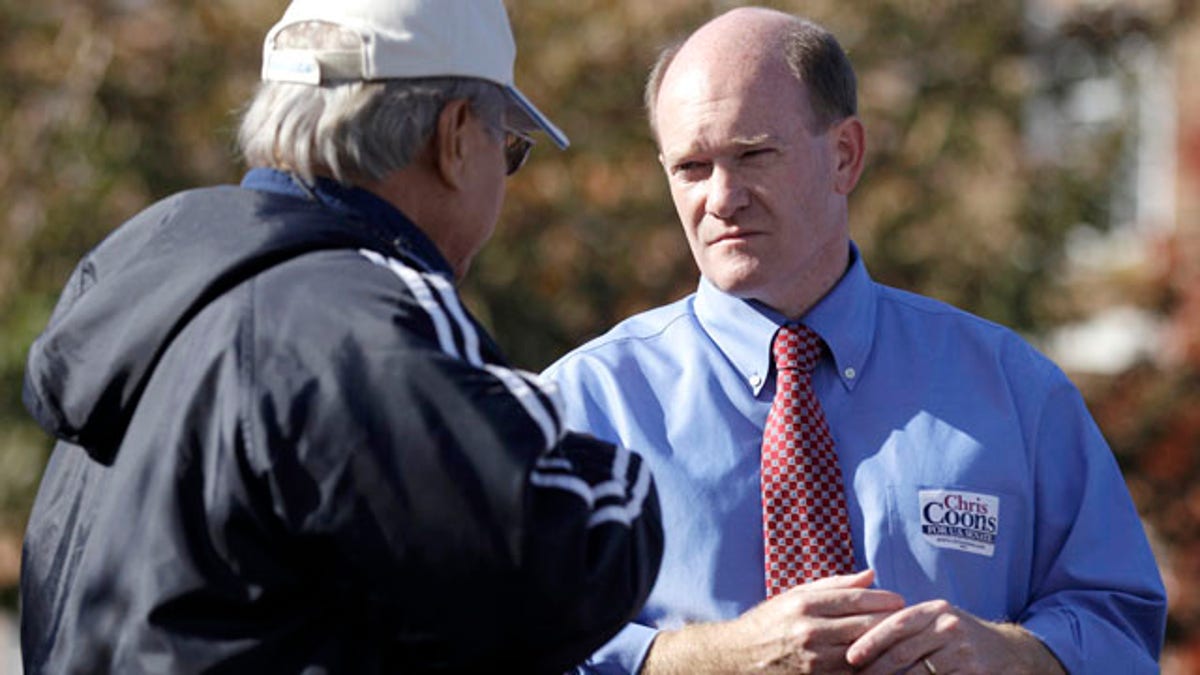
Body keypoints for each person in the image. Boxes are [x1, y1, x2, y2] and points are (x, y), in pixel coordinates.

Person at [19, 0, 663, 672]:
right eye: (509, 149)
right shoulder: (363, 312)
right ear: (456, 134)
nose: (503, 179)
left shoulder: (166, 282)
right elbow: (566, 560)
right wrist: (606, 459)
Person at [544, 7, 1165, 675]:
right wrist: (707, 659)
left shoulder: (1011, 390)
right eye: (692, 167)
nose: (721, 198)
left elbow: (1120, 629)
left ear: (845, 155)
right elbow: (500, 641)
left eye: (753, 154)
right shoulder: (584, 409)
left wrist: (1014, 654)